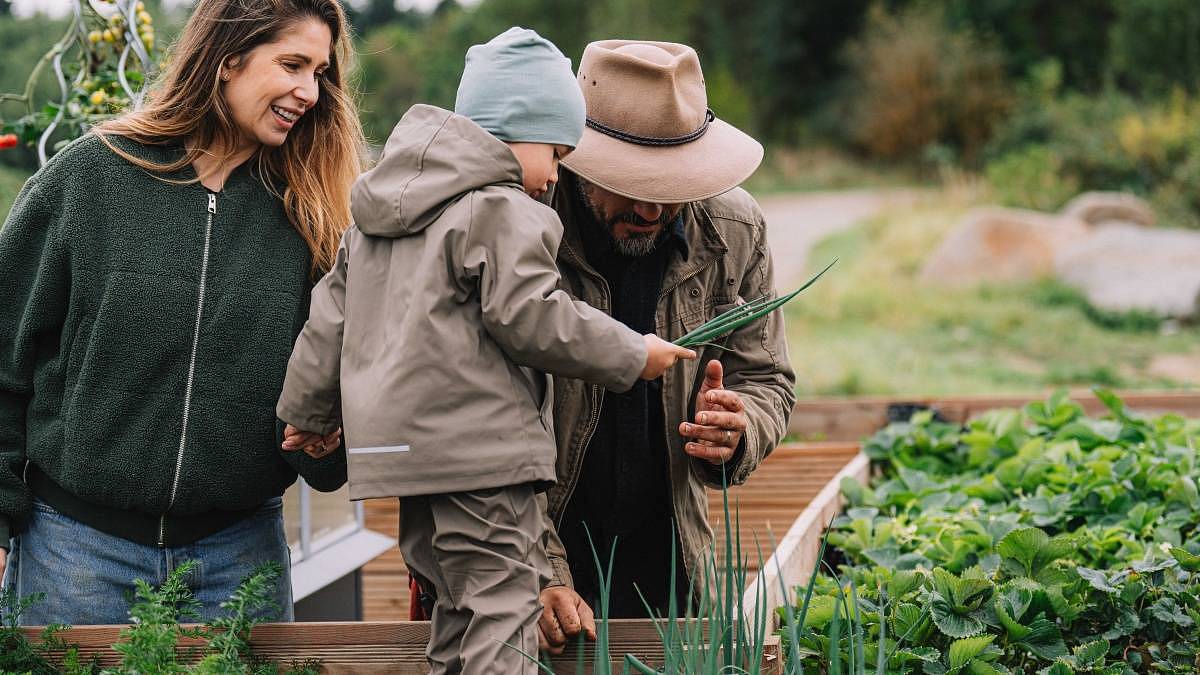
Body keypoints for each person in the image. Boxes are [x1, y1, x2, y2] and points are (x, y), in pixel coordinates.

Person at [276, 28, 694, 674]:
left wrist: (307, 410)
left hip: (402, 460)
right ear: (513, 129)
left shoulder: (381, 214)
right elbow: (533, 314)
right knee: (504, 608)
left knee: (454, 606)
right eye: (554, 150)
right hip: (478, 454)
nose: (556, 173)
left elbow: (328, 317)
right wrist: (632, 353)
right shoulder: (502, 210)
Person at [0, 0, 364, 625]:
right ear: (227, 60)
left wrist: (328, 443)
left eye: (320, 73)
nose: (309, 91)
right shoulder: (89, 180)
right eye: (292, 64)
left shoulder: (315, 216)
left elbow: (329, 402)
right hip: (75, 554)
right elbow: (7, 354)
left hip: (240, 560)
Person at [534, 39, 797, 653]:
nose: (650, 207)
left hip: (671, 563)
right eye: (627, 184)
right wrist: (537, 568)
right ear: (575, 157)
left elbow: (768, 378)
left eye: (671, 183)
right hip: (537, 563)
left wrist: (739, 427)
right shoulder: (522, 225)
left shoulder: (733, 231)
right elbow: (471, 427)